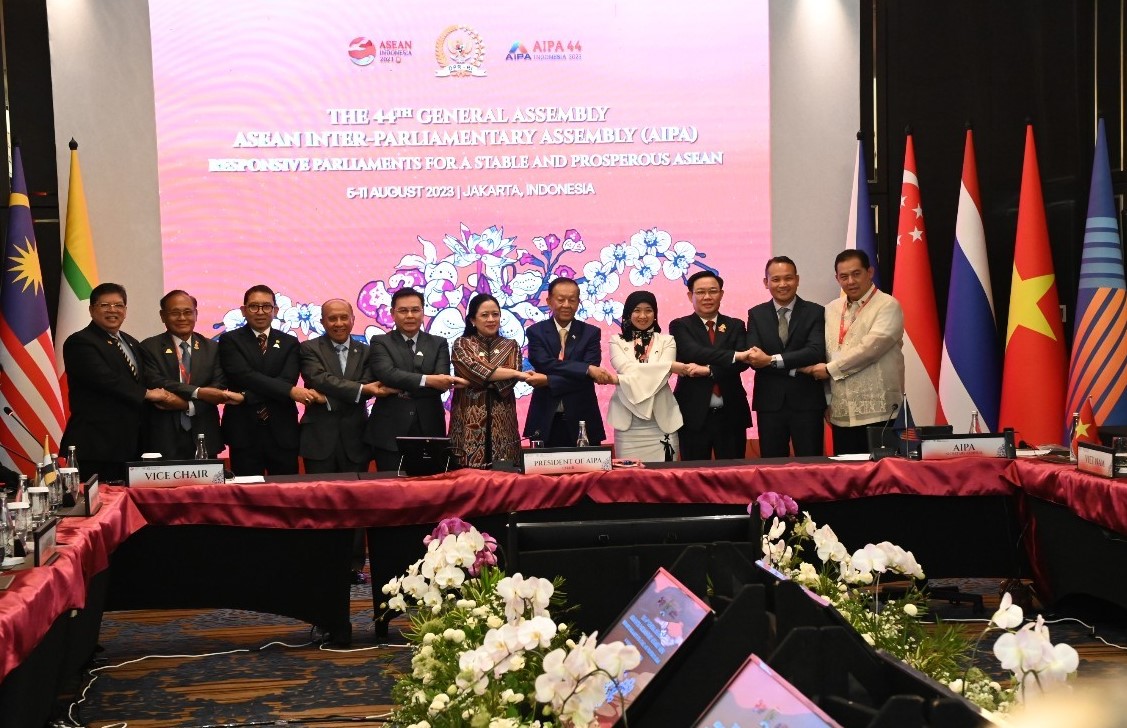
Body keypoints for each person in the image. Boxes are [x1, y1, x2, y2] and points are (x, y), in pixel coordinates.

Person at [61, 282, 184, 482]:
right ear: (91, 310)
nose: (113, 310)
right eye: (105, 305)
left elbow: (145, 377)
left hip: (132, 445)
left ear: (125, 310)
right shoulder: (80, 342)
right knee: (100, 500)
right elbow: (104, 379)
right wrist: (147, 394)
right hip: (97, 446)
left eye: (118, 305)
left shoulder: (131, 342)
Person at [801, 250, 904, 455]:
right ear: (837, 278)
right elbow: (824, 354)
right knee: (847, 471)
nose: (850, 281)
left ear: (870, 272)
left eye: (856, 274)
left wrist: (829, 370)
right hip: (841, 412)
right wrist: (827, 401)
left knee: (879, 471)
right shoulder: (830, 309)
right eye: (844, 276)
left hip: (878, 411)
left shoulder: (887, 305)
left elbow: (870, 349)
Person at [218, 284, 320, 476]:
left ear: (276, 310)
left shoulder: (290, 342)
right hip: (244, 431)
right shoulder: (230, 340)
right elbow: (244, 375)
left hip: (282, 431)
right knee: (246, 490)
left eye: (266, 306)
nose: (260, 312)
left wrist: (246, 396)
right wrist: (288, 391)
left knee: (287, 490)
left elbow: (287, 379)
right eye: (254, 306)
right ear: (243, 310)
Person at [364, 287, 466, 472]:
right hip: (390, 429)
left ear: (423, 312)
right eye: (403, 311)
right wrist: (427, 379)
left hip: (429, 426)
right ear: (392, 313)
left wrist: (402, 382)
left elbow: (441, 382)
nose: (410, 315)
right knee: (389, 485)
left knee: (429, 485)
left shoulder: (438, 343)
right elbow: (387, 374)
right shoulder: (380, 341)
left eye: (415, 310)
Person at [138, 289, 244, 460]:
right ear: (162, 316)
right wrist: (198, 392)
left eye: (188, 312)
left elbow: (218, 385)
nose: (182, 318)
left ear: (196, 314)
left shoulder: (212, 347)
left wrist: (186, 405)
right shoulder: (149, 347)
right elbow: (155, 381)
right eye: (175, 313)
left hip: (204, 433)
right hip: (163, 436)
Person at [743, 257, 827, 457]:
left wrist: (771, 360)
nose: (782, 284)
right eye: (776, 279)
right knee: (772, 465)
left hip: (807, 402)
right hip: (769, 403)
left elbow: (815, 351)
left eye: (788, 278)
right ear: (766, 282)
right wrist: (799, 367)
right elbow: (755, 359)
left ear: (797, 280)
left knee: (811, 463)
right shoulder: (756, 314)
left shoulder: (815, 311)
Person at [608, 291, 707, 462]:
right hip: (628, 424)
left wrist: (666, 368)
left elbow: (663, 376)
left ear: (655, 314)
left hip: (662, 423)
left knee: (666, 475)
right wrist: (669, 366)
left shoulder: (667, 340)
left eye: (648, 310)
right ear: (628, 314)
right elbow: (626, 369)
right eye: (637, 310)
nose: (643, 316)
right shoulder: (616, 340)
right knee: (630, 475)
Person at [669, 271, 752, 460]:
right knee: (694, 473)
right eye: (700, 292)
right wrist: (733, 355)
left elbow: (742, 363)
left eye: (713, 291)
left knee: (734, 472)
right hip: (693, 414)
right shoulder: (680, 325)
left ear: (721, 294)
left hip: (731, 413)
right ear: (690, 296)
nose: (707, 297)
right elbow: (691, 352)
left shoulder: (736, 325)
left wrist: (709, 370)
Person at [299, 299, 388, 474]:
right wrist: (360, 390)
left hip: (356, 440)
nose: (339, 323)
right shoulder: (308, 348)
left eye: (344, 317)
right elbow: (319, 379)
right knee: (319, 491)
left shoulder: (368, 351)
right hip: (318, 439)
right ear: (322, 322)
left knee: (356, 491)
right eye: (332, 318)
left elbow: (368, 387)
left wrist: (326, 399)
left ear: (353, 319)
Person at [450, 294, 538, 467]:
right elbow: (474, 369)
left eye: (495, 314)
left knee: (506, 477)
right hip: (468, 424)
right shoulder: (462, 344)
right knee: (466, 478)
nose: (491, 319)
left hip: (503, 425)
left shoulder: (511, 345)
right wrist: (516, 374)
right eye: (484, 315)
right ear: (472, 320)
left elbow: (503, 382)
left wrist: (473, 380)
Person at [524, 277, 612, 447]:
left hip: (583, 418)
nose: (566, 305)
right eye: (561, 299)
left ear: (578, 302)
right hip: (545, 418)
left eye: (572, 300)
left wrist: (548, 380)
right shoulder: (536, 332)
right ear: (549, 301)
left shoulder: (591, 333)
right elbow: (544, 363)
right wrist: (586, 369)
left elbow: (586, 378)